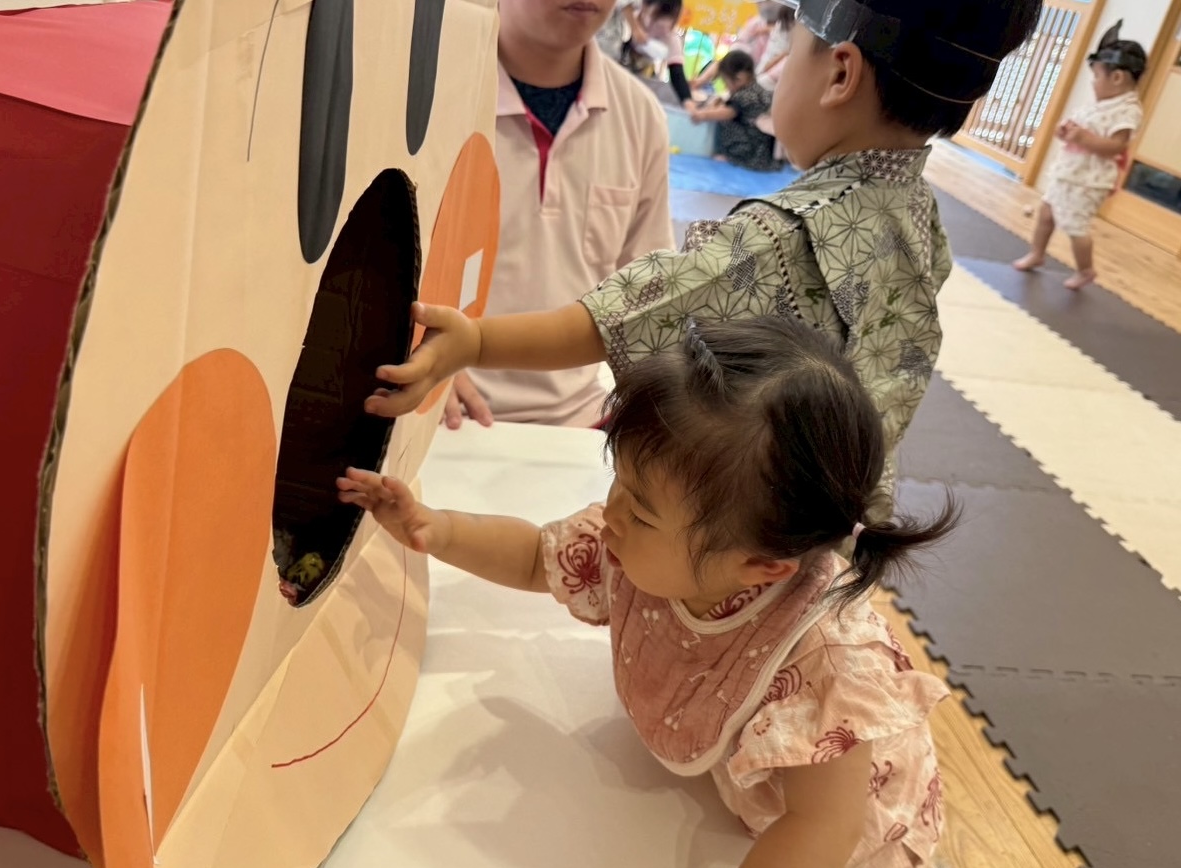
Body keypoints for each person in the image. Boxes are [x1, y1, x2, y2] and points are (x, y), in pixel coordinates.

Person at [340, 318, 958, 868]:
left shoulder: (828, 669)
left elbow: (822, 829)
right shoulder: (641, 545)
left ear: (761, 566)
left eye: (640, 510)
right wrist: (439, 529)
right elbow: (539, 557)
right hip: (756, 794)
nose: (610, 514)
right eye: (620, 481)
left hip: (852, 852)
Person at [373, 0, 1045, 524]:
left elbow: (627, 310)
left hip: (731, 520)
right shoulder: (921, 220)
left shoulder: (778, 232)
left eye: (790, 55)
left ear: (840, 73)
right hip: (827, 523)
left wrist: (476, 341)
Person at [447, 0, 674, 430]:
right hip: (438, 410)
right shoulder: (438, 87)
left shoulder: (640, 115)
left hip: (578, 421)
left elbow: (648, 288)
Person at [1015, 22, 1147, 290]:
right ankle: (1037, 253)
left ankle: (1086, 270)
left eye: (1096, 77)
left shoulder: (1127, 110)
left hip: (1089, 180)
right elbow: (1078, 127)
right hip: (1068, 171)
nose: (1093, 83)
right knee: (1046, 213)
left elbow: (1116, 147)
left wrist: (1084, 139)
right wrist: (1065, 131)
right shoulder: (1097, 105)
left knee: (1075, 226)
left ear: (1117, 78)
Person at [690, 49, 776, 171]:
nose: (726, 87)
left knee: (724, 122)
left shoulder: (744, 96)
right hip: (765, 154)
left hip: (752, 154)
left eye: (726, 82)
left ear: (739, 79)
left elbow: (728, 113)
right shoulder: (759, 91)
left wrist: (702, 115)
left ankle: (731, 157)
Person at [690, 1, 779, 92]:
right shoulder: (755, 24)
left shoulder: (783, 31)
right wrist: (701, 80)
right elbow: (731, 57)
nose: (761, 5)